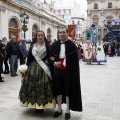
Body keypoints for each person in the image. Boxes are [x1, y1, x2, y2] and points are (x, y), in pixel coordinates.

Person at [50, 26, 82, 120]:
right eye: (60, 32)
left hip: (68, 72)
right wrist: (55, 62)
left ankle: (67, 110)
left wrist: (65, 62)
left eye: (64, 32)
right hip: (57, 71)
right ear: (58, 34)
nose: (62, 34)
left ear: (67, 34)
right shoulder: (54, 45)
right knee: (58, 90)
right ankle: (59, 109)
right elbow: (51, 58)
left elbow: (74, 61)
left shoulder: (72, 45)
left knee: (68, 90)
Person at [19, 30, 56, 112]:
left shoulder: (47, 45)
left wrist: (54, 61)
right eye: (38, 35)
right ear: (36, 37)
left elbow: (49, 57)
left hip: (44, 69)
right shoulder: (32, 46)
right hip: (33, 68)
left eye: (41, 35)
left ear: (44, 36)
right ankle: (34, 104)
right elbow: (29, 58)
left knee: (42, 86)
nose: (40, 37)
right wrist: (26, 67)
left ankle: (42, 105)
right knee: (33, 86)